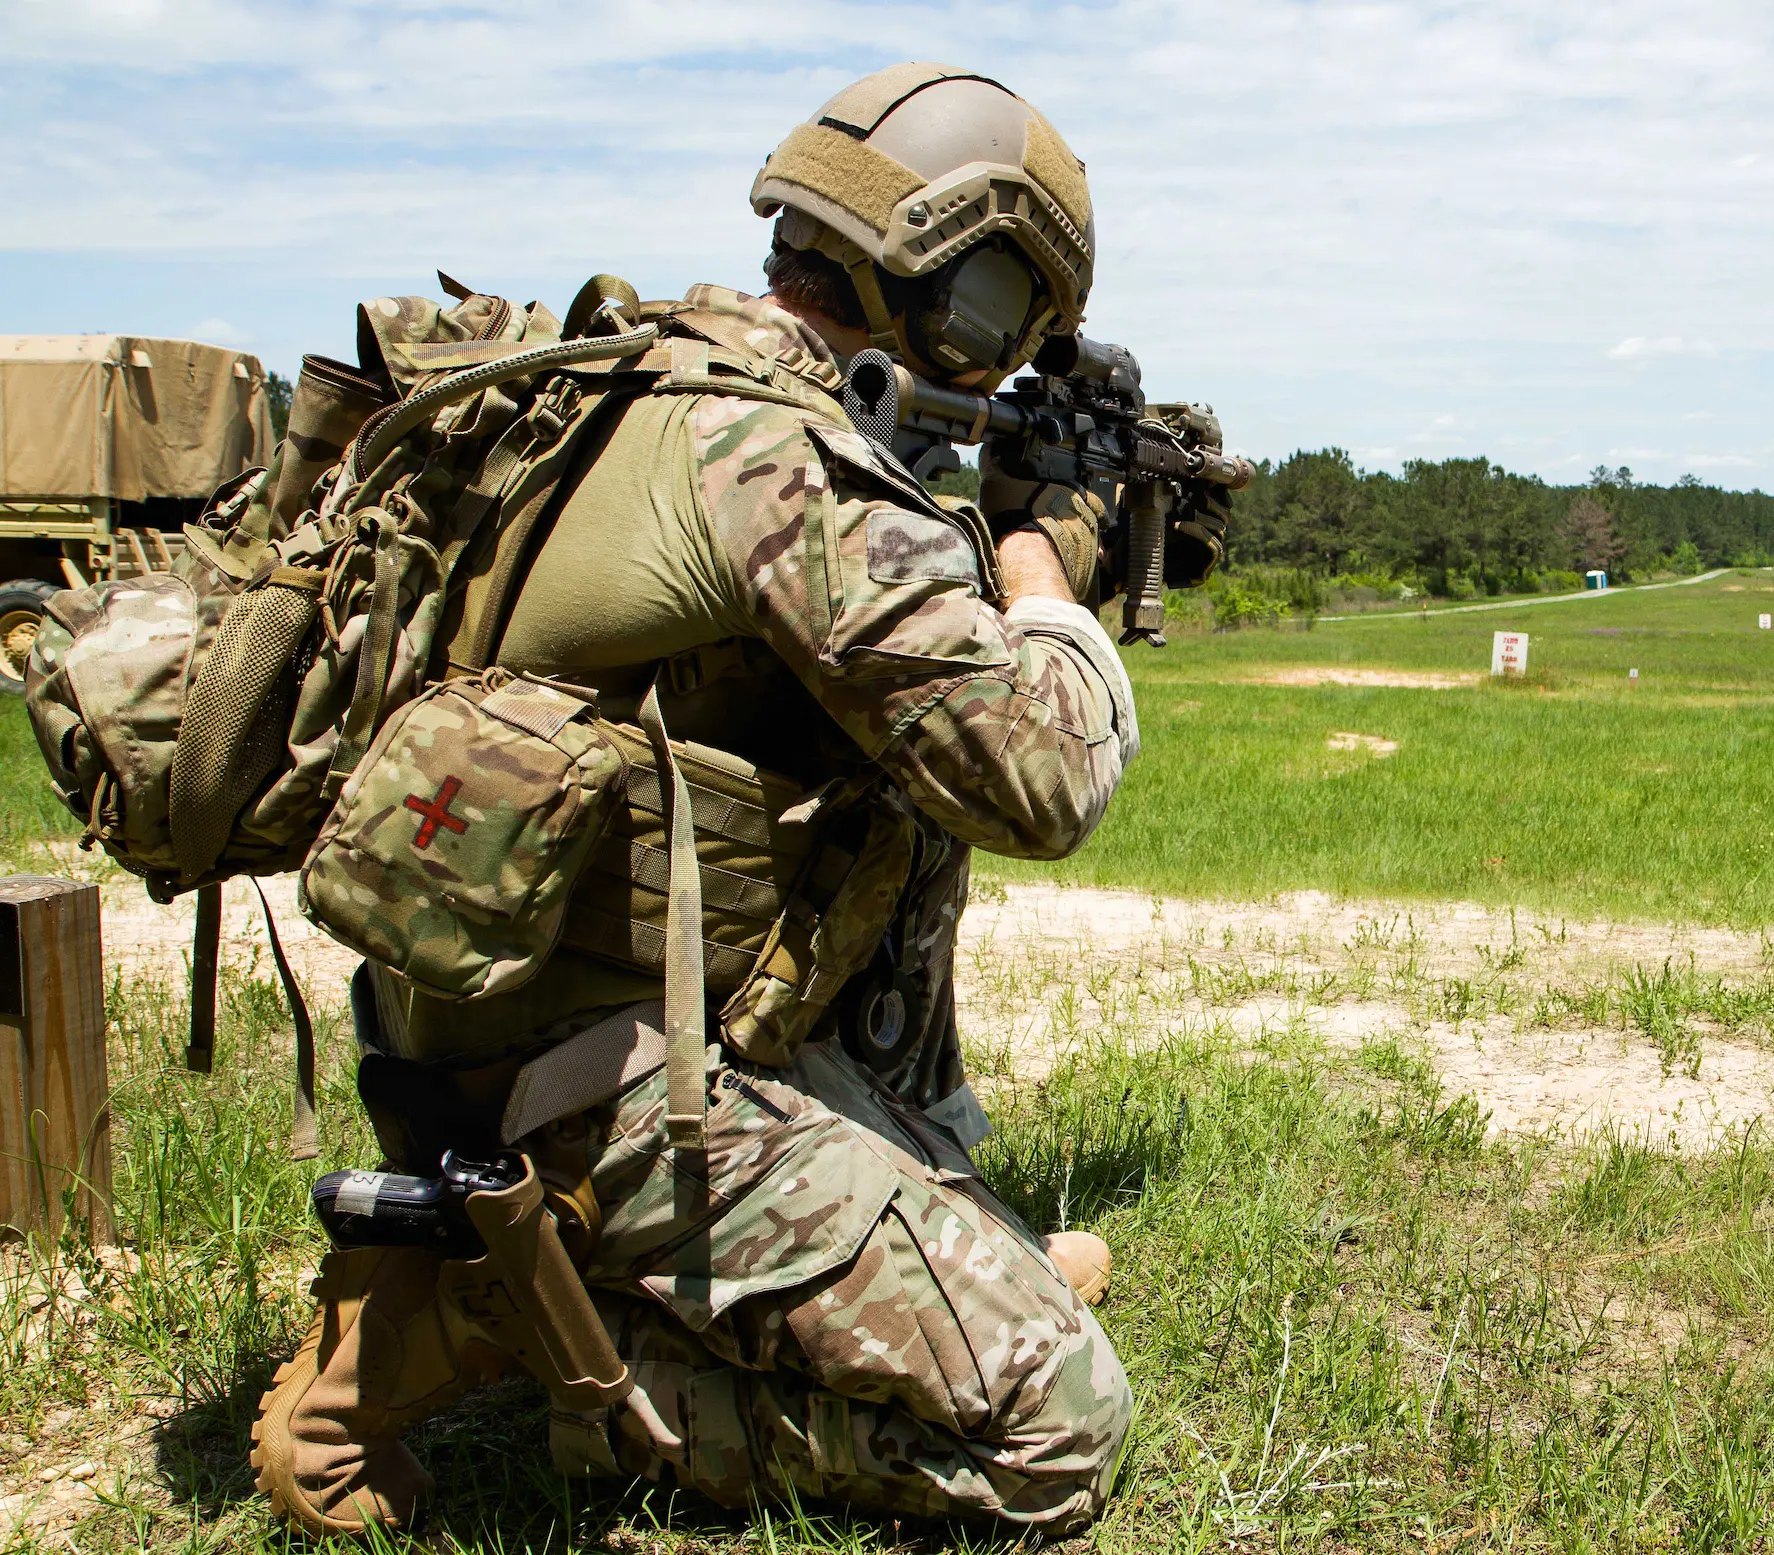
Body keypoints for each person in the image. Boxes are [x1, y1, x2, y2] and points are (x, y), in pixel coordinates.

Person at [251, 61, 1223, 1538]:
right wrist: (1038, 571)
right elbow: (1037, 776)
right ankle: (501, 1319)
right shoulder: (786, 462)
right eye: (1009, 316)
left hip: (488, 1036)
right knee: (1058, 1424)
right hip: (609, 1097)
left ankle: (824, 1227)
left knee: (888, 820)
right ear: (960, 279)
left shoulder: (636, 379)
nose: (1001, 356)